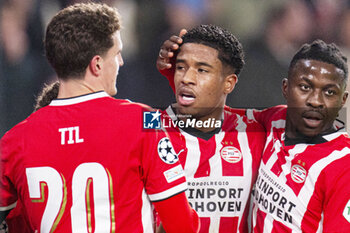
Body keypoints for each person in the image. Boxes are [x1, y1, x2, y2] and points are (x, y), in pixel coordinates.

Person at [33, 25, 266, 233]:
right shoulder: (147, 124)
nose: (187, 78)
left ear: (229, 83)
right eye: (181, 68)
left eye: (202, 70)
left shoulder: (256, 130)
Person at [0, 3, 200, 233]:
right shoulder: (145, 121)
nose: (121, 63)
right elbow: (182, 224)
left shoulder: (13, 142)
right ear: (96, 64)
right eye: (117, 54)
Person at [159, 37, 350, 232]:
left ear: (342, 100)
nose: (316, 101)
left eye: (329, 93)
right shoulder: (273, 121)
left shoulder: (343, 167)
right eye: (305, 87)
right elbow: (211, 116)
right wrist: (179, 78)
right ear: (286, 88)